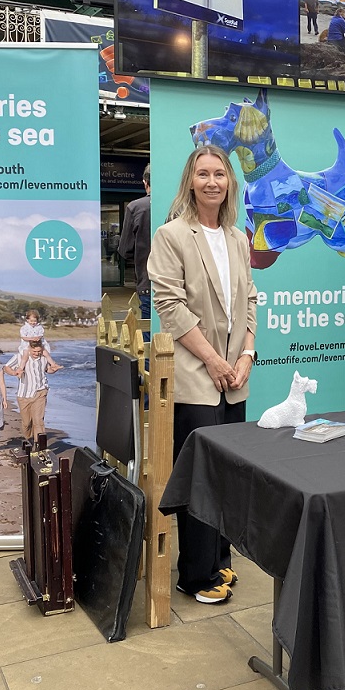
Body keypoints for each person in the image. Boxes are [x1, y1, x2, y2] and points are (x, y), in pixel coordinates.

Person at [148, 144, 257, 605]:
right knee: (200, 477)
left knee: (228, 475)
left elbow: (249, 300)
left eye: (219, 174)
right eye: (203, 174)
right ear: (190, 182)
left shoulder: (237, 237)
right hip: (198, 375)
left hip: (235, 378)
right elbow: (169, 305)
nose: (212, 181)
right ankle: (194, 574)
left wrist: (247, 355)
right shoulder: (172, 235)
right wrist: (213, 360)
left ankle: (220, 560)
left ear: (230, 182)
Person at [4, 339, 59, 442]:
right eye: (34, 351)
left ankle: (39, 447)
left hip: (40, 392)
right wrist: (14, 373)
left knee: (38, 421)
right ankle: (28, 440)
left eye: (39, 351)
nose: (37, 353)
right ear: (29, 349)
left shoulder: (43, 358)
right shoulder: (20, 357)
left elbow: (48, 370)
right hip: (24, 395)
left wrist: (54, 370)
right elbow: (6, 367)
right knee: (27, 423)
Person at [117, 163, 152, 320]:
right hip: (181, 286)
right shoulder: (181, 206)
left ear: (145, 182)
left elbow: (125, 250)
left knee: (148, 338)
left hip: (148, 283)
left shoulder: (136, 207)